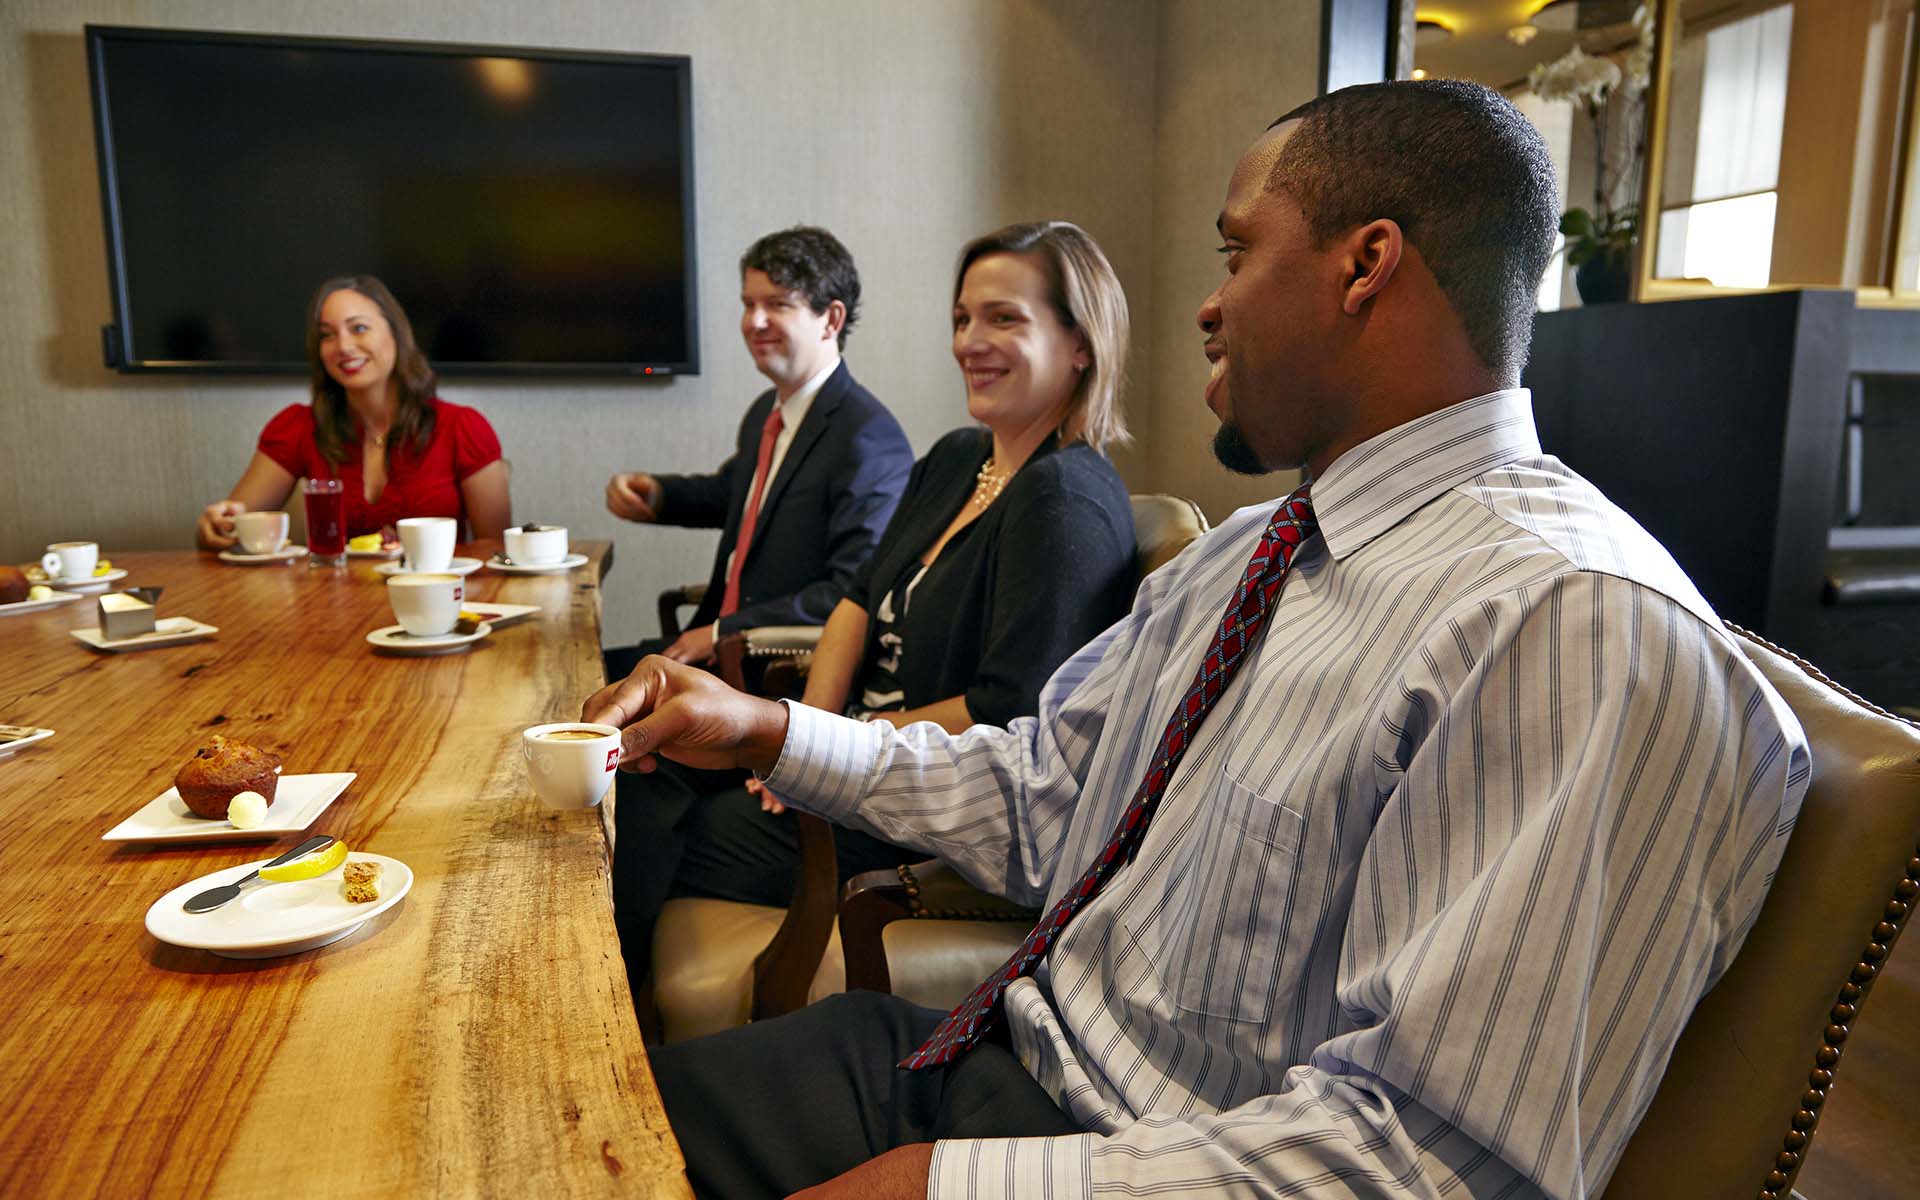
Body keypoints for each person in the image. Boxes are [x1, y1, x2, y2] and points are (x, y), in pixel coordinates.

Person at [583, 80, 1812, 1200]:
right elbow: (1046, 795)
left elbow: (1424, 1160)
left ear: (1366, 264)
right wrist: (771, 730)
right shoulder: (1255, 551)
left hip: (1137, 1160)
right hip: (997, 1061)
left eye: (1237, 252)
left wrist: (949, 1189)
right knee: (563, 1126)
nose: (1210, 306)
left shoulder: (1572, 628)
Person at [619, 221, 1139, 981]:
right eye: (963, 317)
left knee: (660, 822)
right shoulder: (958, 458)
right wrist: (811, 736)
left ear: (1081, 344)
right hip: (852, 757)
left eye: (1003, 318)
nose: (970, 341)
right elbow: (857, 600)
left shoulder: (1065, 501)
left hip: (924, 802)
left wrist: (814, 750)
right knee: (648, 773)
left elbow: (1003, 714)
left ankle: (617, 1019)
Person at [602, 226, 912, 674]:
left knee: (573, 691)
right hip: (713, 648)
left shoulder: (869, 441)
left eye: (777, 304)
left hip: (767, 670)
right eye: (749, 304)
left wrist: (720, 632)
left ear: (831, 319)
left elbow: (850, 591)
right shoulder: (767, 412)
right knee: (569, 670)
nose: (754, 321)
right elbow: (737, 495)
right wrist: (657, 493)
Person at [195, 275, 510, 548]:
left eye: (358, 328)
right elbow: (231, 528)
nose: (343, 347)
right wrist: (215, 526)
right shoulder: (298, 426)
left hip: (433, 595)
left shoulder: (462, 427)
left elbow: (495, 551)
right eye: (327, 335)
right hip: (332, 596)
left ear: (396, 335)